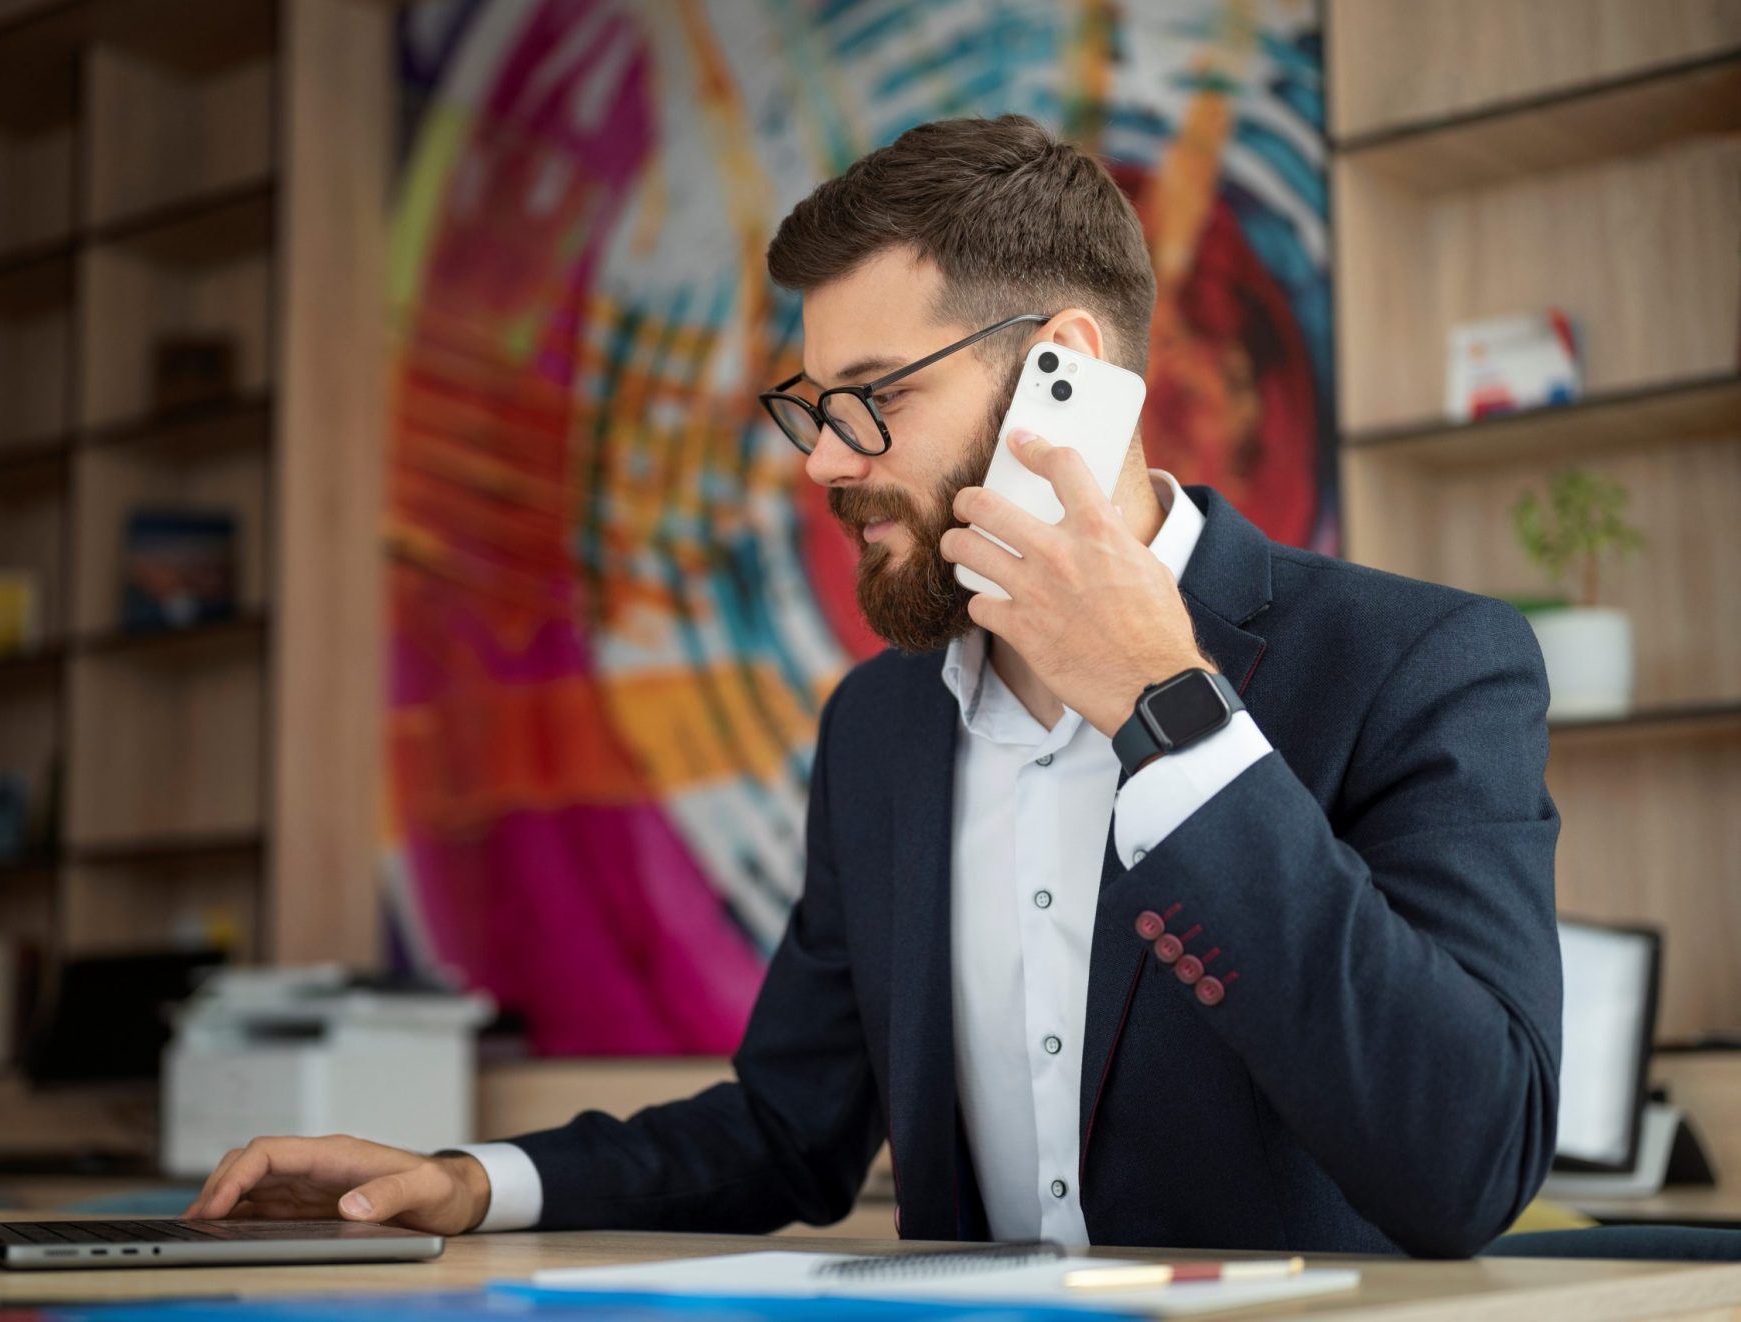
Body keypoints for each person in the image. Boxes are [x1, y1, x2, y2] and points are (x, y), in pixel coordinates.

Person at [185, 115, 1561, 1259]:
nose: (824, 464)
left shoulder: (1419, 666)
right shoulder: (882, 726)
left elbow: (1466, 1162)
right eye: (813, 407)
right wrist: (469, 1182)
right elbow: (790, 1126)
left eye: (873, 398)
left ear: (1065, 374)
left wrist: (1166, 703)